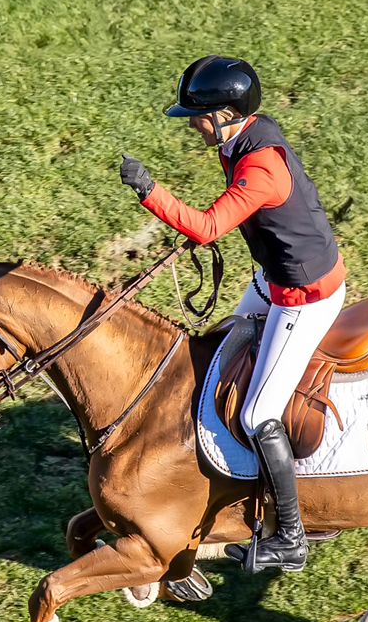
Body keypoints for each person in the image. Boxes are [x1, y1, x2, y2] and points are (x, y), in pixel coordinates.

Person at [119, 55, 346, 573]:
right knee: (220, 347)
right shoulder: (243, 137)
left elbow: (205, 228)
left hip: (303, 295)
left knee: (257, 413)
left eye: (198, 116)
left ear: (225, 113)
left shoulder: (260, 166)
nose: (193, 125)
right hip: (274, 278)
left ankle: (290, 537)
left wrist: (149, 191)